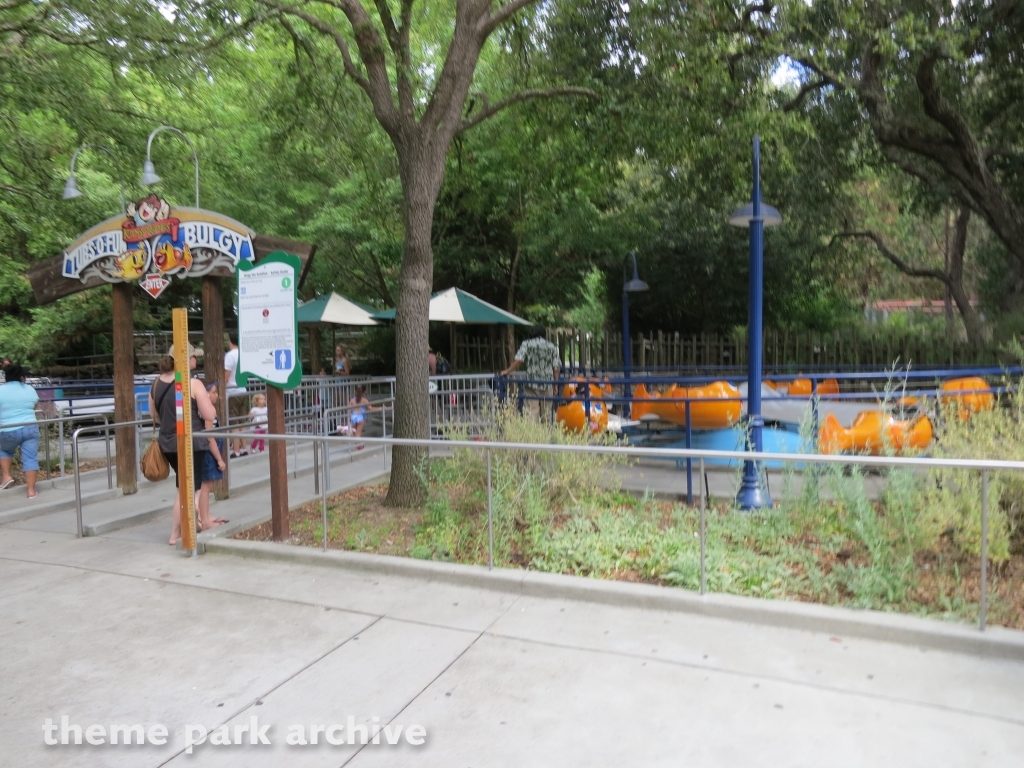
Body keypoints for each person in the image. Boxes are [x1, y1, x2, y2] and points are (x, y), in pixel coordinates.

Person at [148, 350, 217, 546]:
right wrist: (211, 408)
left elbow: (154, 415)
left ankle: (176, 532)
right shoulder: (192, 383)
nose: (196, 359)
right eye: (194, 356)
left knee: (182, 486)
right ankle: (184, 525)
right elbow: (208, 414)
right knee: (190, 489)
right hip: (192, 442)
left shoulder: (156, 383)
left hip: (168, 443)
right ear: (186, 359)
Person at [500, 326, 561, 420]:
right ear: (544, 334)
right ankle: (546, 433)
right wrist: (556, 384)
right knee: (547, 413)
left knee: (532, 411)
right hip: (548, 383)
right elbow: (556, 366)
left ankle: (534, 433)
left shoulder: (527, 344)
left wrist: (507, 371)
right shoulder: (551, 346)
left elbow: (519, 360)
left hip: (532, 382)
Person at [0, 363, 40, 497]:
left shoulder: (1, 390)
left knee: (4, 449)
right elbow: (34, 406)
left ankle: (6, 476)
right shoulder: (29, 389)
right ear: (21, 377)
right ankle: (31, 491)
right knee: (30, 458)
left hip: (7, 428)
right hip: (30, 427)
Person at [197, 383, 228, 531]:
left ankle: (206, 515)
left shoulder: (209, 409)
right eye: (214, 392)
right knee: (206, 485)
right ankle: (204, 519)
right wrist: (219, 459)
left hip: (213, 446)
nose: (217, 395)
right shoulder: (208, 410)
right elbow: (209, 437)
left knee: (208, 485)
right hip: (210, 449)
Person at [223, 333, 249, 458]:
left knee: (234, 422)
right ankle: (244, 448)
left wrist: (220, 388)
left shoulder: (230, 356)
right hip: (243, 389)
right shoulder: (244, 354)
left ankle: (236, 451)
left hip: (232, 391)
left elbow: (226, 376)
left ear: (230, 340)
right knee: (242, 421)